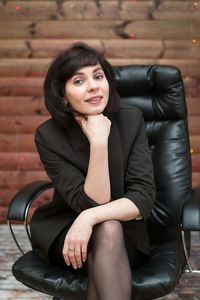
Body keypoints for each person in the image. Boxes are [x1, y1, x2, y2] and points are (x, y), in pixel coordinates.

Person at [30, 42, 156, 300]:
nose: (93, 86)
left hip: (121, 233)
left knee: (108, 228)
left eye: (98, 76)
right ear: (63, 95)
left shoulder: (131, 120)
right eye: (79, 81)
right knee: (106, 227)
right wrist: (98, 144)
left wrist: (89, 218)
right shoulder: (48, 135)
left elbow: (143, 196)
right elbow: (89, 201)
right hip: (68, 232)